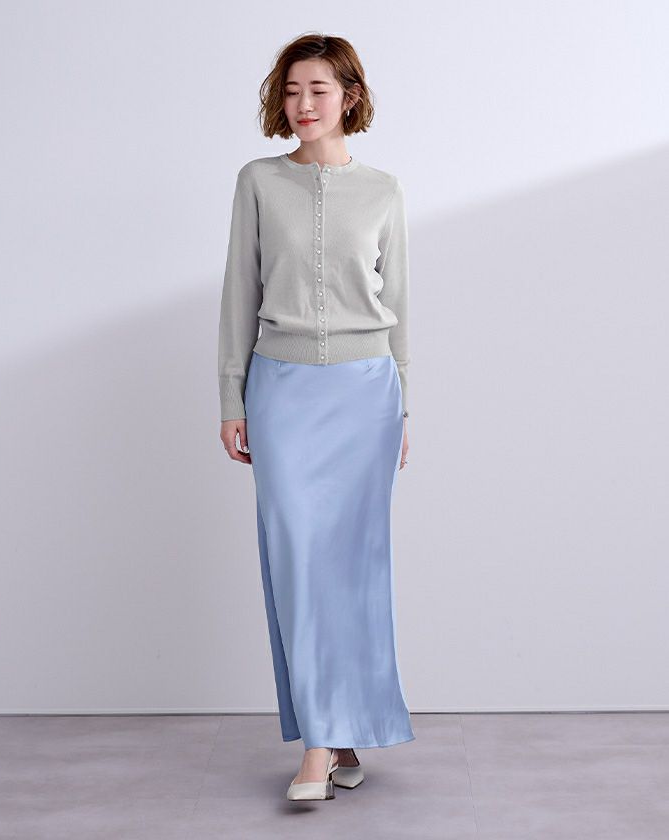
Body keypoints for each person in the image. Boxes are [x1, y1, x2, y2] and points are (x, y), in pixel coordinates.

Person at [217, 32, 414, 802]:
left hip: (367, 395)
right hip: (283, 391)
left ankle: (337, 736)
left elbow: (400, 308)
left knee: (356, 570)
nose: (302, 104)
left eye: (318, 90)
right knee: (297, 561)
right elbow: (239, 292)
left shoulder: (385, 190)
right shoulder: (258, 182)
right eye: (292, 90)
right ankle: (321, 740)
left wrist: (404, 405)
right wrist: (231, 396)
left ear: (349, 97)